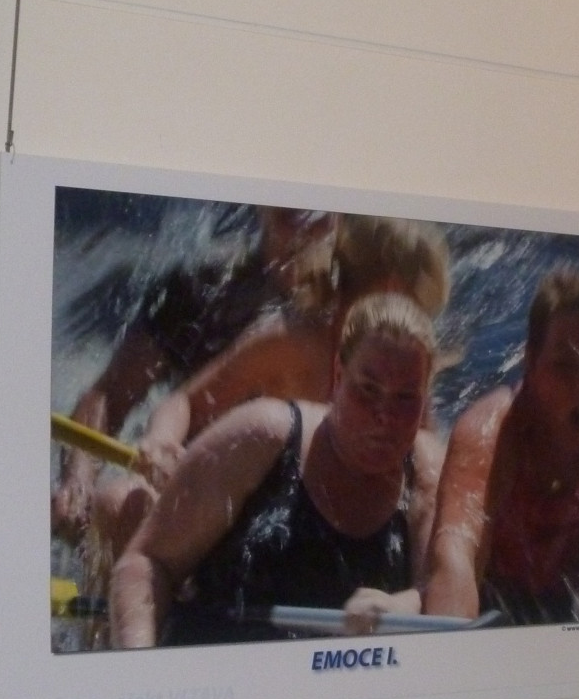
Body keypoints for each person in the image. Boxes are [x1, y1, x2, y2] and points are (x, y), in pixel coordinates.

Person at [93, 215, 450, 554]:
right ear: (391, 290)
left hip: (313, 524)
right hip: (240, 504)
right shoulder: (293, 341)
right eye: (419, 309)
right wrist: (161, 441)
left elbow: (429, 464)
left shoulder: (399, 373)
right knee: (118, 503)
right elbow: (182, 402)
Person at [109, 292, 444, 647]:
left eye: (405, 398)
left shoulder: (429, 472)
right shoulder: (260, 436)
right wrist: (141, 661)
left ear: (424, 400)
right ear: (338, 376)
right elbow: (145, 563)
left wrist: (404, 606)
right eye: (368, 389)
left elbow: (438, 591)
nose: (384, 416)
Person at [51, 206, 335, 539]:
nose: (301, 209)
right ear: (260, 205)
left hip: (305, 507)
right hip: (193, 496)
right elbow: (110, 394)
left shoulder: (359, 300)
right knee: (119, 506)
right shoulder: (204, 288)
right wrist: (78, 480)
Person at [422, 267, 579, 624]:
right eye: (564, 365)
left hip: (569, 614)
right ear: (531, 362)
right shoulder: (489, 435)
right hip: (491, 606)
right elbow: (454, 556)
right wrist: (453, 642)